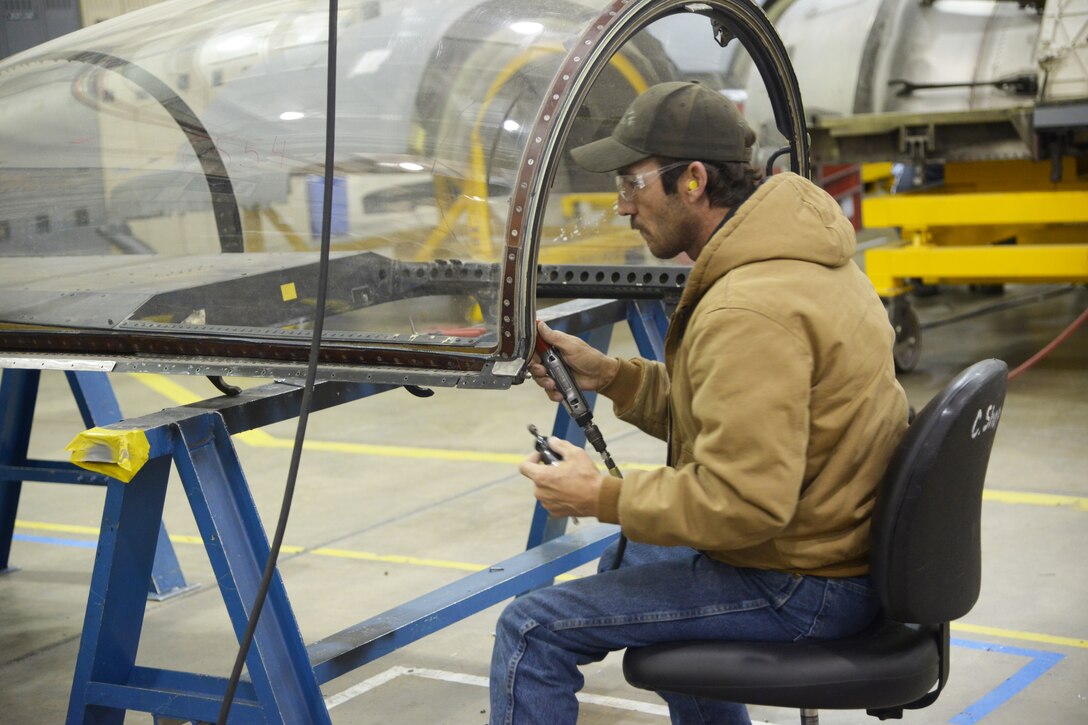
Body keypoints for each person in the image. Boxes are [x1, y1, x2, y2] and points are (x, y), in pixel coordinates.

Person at [488, 81, 909, 725]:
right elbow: (735, 414)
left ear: (691, 181)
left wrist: (598, 496)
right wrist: (612, 376)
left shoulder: (748, 308)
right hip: (825, 549)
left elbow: (742, 504)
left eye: (632, 185)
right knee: (631, 557)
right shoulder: (797, 256)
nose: (624, 207)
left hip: (801, 584)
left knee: (531, 627)